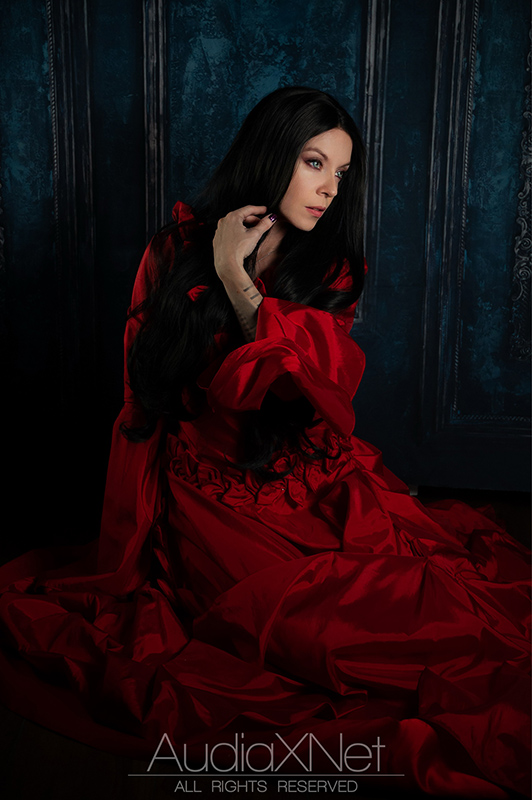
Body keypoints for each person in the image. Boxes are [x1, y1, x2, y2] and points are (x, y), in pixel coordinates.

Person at [0, 87, 529, 798]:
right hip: (214, 501)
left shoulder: (331, 268)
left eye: (341, 172)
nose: (330, 188)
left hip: (313, 485)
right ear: (272, 153)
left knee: (439, 625)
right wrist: (128, 546)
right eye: (314, 162)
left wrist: (236, 277)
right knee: (320, 643)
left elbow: (300, 391)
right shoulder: (171, 250)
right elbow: (142, 400)